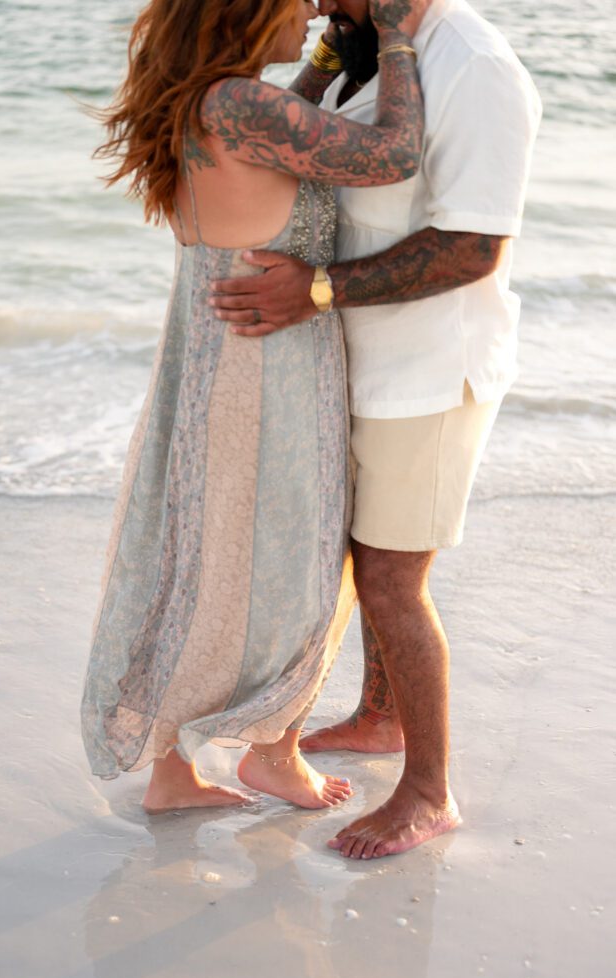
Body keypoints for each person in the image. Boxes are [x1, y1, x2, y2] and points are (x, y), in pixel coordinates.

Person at [211, 0, 542, 855]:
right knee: (362, 557)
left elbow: (472, 244)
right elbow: (290, 137)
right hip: (360, 360)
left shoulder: (471, 64)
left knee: (393, 579)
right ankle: (379, 717)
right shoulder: (369, 48)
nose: (316, 1)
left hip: (428, 369)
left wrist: (317, 289)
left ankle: (428, 793)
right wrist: (333, 46)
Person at [80, 0, 425, 815]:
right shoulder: (242, 104)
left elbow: (291, 126)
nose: (309, 8)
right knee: (294, 564)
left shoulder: (202, 100)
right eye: (292, 0)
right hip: (269, 366)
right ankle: (273, 753)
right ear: (244, 13)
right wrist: (398, 38)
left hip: (210, 360)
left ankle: (174, 771)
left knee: (198, 560)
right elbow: (394, 154)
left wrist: (336, 59)